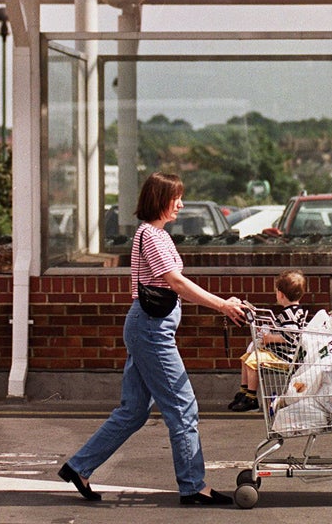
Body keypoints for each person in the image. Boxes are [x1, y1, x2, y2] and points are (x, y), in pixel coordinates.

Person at [58, 171, 246, 506]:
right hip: (151, 330)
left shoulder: (154, 234)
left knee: (133, 411)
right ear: (160, 199)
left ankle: (79, 467)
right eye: (177, 197)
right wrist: (222, 305)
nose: (181, 204)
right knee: (182, 406)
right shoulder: (153, 237)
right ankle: (193, 486)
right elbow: (175, 282)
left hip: (147, 326)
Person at [228, 269, 308, 412]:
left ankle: (251, 398)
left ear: (281, 294)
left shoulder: (289, 314)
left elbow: (291, 336)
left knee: (253, 361)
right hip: (281, 352)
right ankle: (244, 391)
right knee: (245, 358)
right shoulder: (293, 311)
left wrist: (270, 338)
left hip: (284, 355)